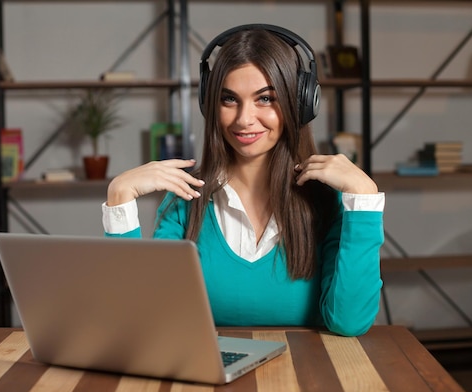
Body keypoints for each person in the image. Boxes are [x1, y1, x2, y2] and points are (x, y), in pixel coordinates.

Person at [101, 24, 385, 336]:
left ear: (301, 103)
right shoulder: (185, 200)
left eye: (265, 99)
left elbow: (349, 322)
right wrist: (119, 199)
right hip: (211, 377)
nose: (244, 119)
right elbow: (142, 322)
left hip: (309, 376)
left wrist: (365, 196)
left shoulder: (328, 204)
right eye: (229, 99)